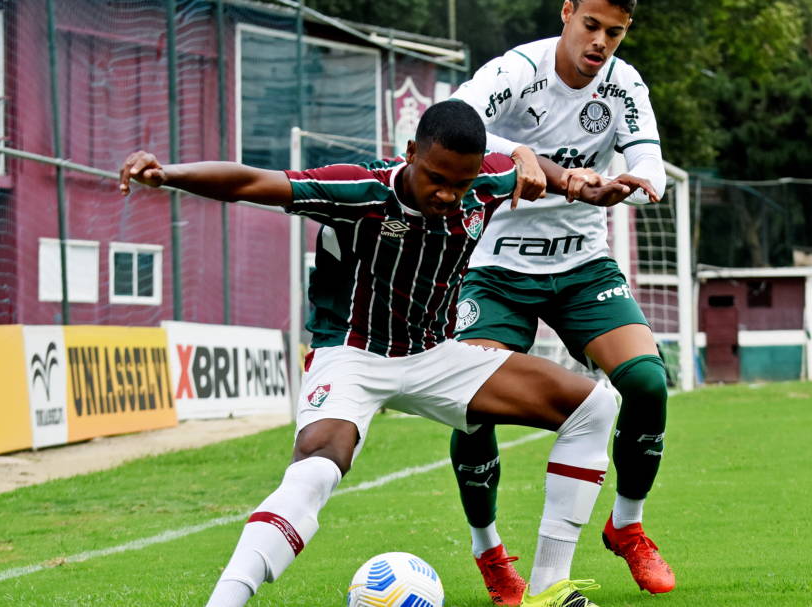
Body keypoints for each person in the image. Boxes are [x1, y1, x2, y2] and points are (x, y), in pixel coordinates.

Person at [117, 100, 657, 607]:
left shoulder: (484, 182)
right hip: (352, 355)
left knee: (594, 406)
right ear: (411, 152)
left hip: (435, 356)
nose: (448, 195)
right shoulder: (360, 189)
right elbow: (252, 181)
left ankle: (548, 587)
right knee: (315, 470)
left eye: (461, 183)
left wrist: (579, 185)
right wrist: (168, 174)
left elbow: (525, 168)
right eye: (436, 178)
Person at [447, 0, 673, 602]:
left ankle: (627, 526)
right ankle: (489, 551)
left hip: (581, 266)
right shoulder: (517, 71)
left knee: (647, 382)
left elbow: (650, 164)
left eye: (614, 33)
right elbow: (453, 124)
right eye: (591, 26)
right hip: (495, 268)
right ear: (568, 12)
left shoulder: (624, 85)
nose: (600, 42)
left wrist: (630, 186)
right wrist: (540, 163)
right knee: (473, 404)